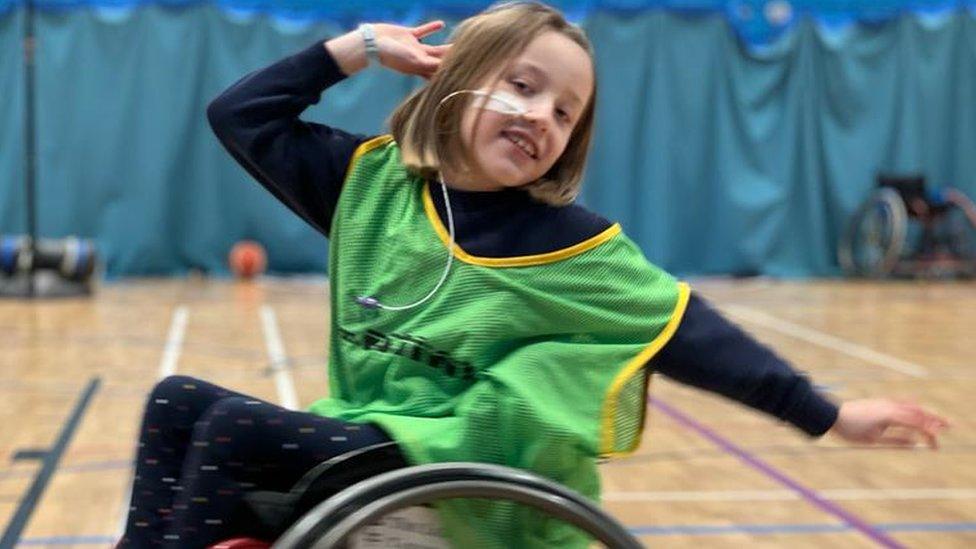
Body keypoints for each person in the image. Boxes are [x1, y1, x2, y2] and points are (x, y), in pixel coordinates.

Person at [121, 2, 949, 547]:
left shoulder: (573, 248)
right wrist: (362, 47)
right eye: (522, 86)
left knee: (230, 431)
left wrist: (830, 415)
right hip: (366, 434)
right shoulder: (370, 183)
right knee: (175, 401)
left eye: (563, 113)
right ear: (458, 78)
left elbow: (697, 336)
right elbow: (239, 114)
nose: (539, 117)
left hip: (461, 480)